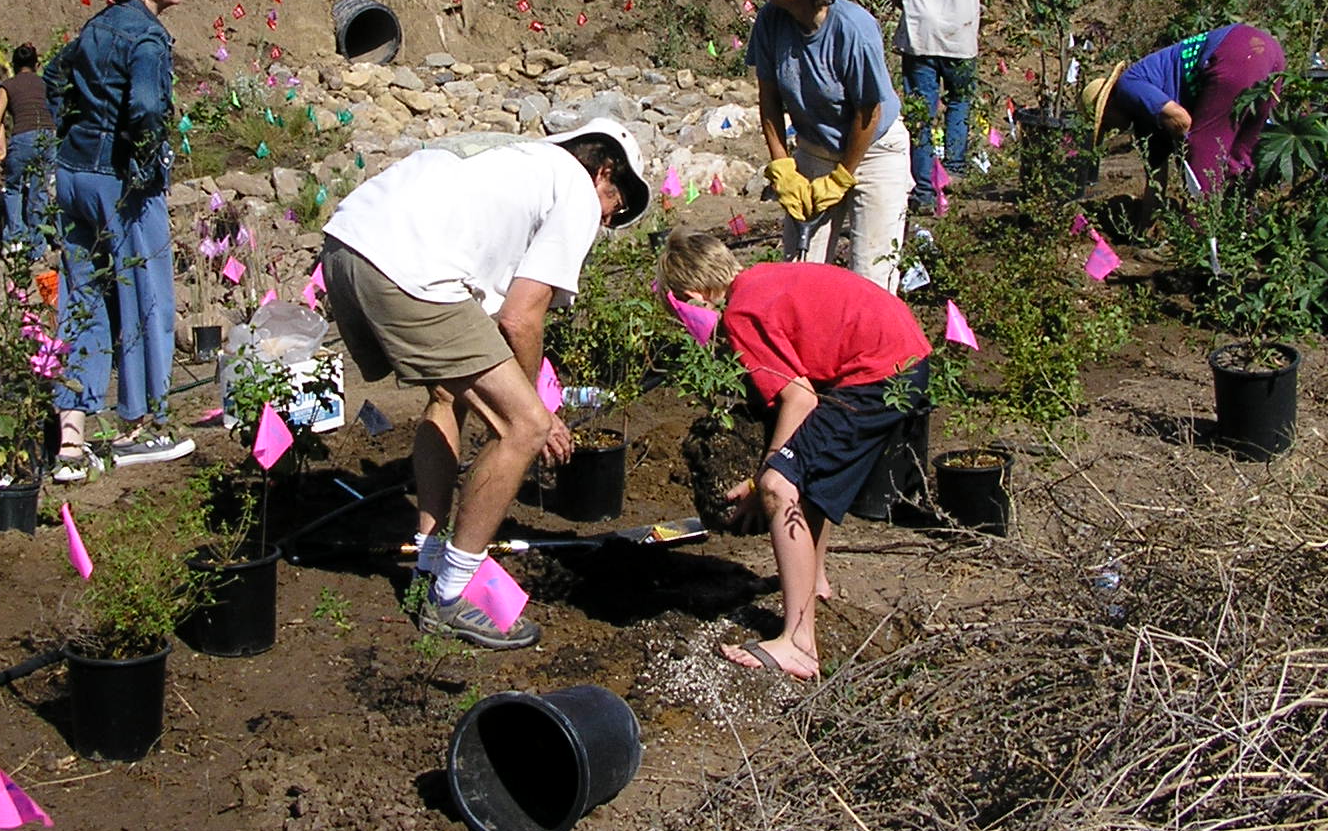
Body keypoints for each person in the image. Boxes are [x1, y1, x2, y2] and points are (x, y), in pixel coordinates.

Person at [321, 117, 651, 649]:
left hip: (345, 247)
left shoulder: (514, 162)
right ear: (604, 173)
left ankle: (429, 558)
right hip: (406, 267)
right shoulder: (577, 190)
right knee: (523, 426)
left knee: (448, 396)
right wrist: (532, 413)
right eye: (616, 208)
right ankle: (451, 596)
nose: (608, 223)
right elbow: (520, 320)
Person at [658, 230, 930, 680]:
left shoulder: (742, 311)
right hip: (906, 360)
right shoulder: (762, 279)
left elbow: (798, 398)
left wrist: (763, 477)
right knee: (802, 472)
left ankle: (799, 644)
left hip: (878, 373)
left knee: (779, 485)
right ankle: (814, 581)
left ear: (692, 296)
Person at [41, 0, 201, 480]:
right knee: (146, 296)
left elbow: (53, 76)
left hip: (74, 173)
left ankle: (70, 438)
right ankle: (144, 424)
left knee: (81, 297)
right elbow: (148, 106)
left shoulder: (95, 27)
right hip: (120, 184)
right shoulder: (148, 38)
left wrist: (70, 131)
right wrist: (144, 164)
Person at [747, 0, 914, 290]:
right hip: (814, 150)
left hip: (873, 153)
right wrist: (782, 166)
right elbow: (769, 98)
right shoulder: (770, 22)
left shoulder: (853, 29)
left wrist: (842, 177)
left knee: (872, 273)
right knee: (800, 268)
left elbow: (868, 111)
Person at [861, 0, 997, 213]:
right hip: (960, 32)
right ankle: (951, 181)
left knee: (921, 113)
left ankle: (923, 191)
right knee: (959, 103)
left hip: (919, 32)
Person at [1080, 24, 1286, 195]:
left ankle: (1199, 237)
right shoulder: (1145, 121)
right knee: (1240, 159)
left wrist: (1186, 157)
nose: (1113, 128)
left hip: (1238, 52)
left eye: (1107, 122)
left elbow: (1181, 121)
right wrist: (1143, 229)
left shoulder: (1129, 85)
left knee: (1203, 159)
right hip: (1268, 51)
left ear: (1110, 104)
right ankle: (1240, 232)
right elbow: (1155, 178)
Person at [0, 43, 56, 252]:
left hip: (23, 136)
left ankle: (15, 239)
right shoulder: (45, 83)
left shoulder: (7, 86)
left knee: (14, 188)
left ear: (13, 64)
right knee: (40, 190)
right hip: (48, 136)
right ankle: (38, 244)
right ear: (37, 64)